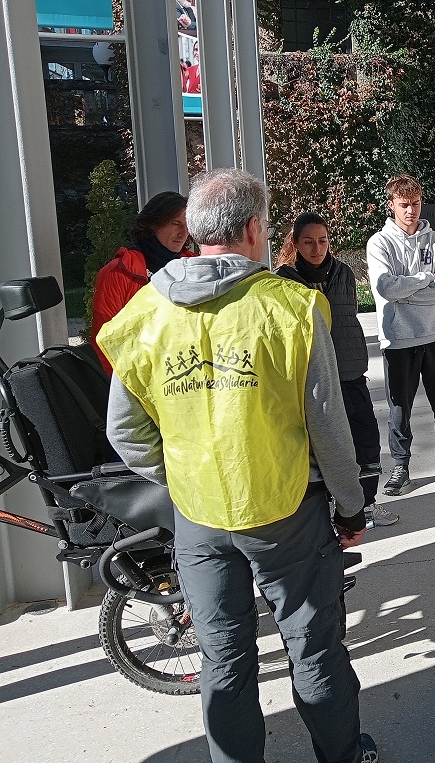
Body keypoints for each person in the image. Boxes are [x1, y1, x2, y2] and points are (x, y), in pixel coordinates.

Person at [97, 169, 377, 763]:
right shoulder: (292, 308)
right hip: (287, 511)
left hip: (198, 515)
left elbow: (124, 431)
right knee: (314, 649)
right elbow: (329, 426)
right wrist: (352, 507)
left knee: (222, 658)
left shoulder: (147, 312)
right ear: (253, 228)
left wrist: (179, 473)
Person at [275, 212, 399, 530]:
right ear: (295, 243)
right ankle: (326, 509)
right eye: (308, 242)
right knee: (322, 449)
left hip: (349, 374)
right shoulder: (283, 281)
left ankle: (366, 504)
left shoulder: (343, 272)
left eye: (323, 241)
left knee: (365, 442)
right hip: (310, 381)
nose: (317, 248)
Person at [366, 174, 435, 495]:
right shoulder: (379, 243)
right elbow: (385, 288)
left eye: (415, 203)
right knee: (399, 409)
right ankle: (401, 466)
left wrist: (406, 290)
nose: (410, 210)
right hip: (398, 340)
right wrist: (423, 279)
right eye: (404, 204)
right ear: (391, 205)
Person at [89, 191, 193, 373]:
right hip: (136, 378)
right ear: (153, 224)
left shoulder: (195, 267)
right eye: (176, 224)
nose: (183, 233)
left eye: (188, 225)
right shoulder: (117, 273)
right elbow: (103, 341)